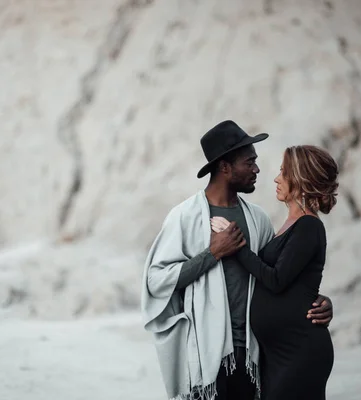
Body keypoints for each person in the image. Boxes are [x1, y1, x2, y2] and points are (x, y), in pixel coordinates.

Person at [140, 120, 333, 400]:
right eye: (249, 162)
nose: (257, 169)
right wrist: (212, 254)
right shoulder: (185, 217)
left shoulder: (258, 219)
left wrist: (319, 300)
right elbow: (156, 282)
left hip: (256, 356)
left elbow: (278, 274)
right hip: (208, 354)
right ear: (225, 167)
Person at [209, 145, 338, 400]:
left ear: (300, 178)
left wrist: (237, 245)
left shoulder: (309, 226)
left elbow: (277, 279)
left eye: (284, 172)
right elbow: (295, 280)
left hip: (299, 350)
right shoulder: (288, 225)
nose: (277, 179)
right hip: (277, 353)